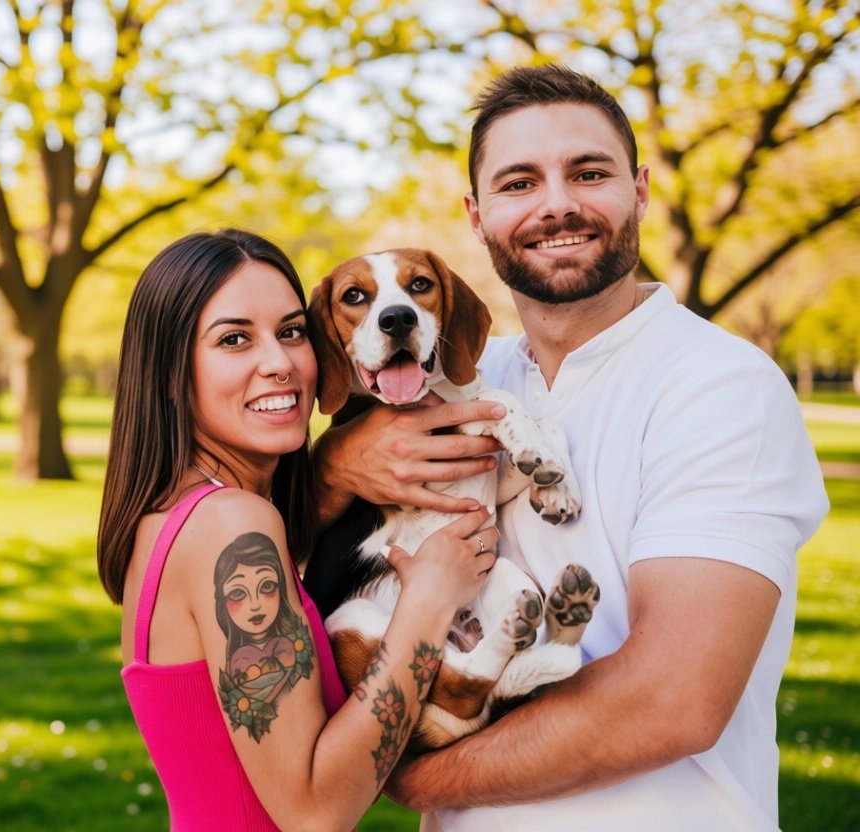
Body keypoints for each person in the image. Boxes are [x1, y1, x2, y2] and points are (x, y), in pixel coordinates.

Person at [314, 65, 830, 831]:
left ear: (641, 191)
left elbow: (672, 701)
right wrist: (333, 467)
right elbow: (299, 551)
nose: (556, 204)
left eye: (588, 173)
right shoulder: (458, 379)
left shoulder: (722, 387)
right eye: (519, 182)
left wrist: (410, 774)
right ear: (477, 215)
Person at [96, 228, 498, 831]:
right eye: (234, 339)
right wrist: (430, 601)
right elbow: (315, 811)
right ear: (171, 373)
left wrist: (334, 467)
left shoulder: (173, 516)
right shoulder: (235, 527)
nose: (280, 364)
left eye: (290, 332)